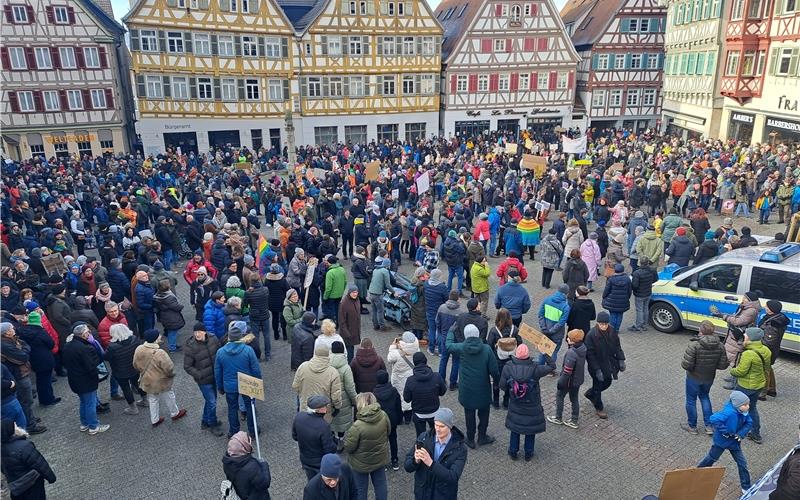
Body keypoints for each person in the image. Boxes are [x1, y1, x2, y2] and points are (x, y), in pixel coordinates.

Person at [446, 324, 499, 449]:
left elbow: (448, 346)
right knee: (484, 413)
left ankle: (470, 439)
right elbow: (494, 370)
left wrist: (451, 331)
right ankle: (482, 437)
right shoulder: (486, 349)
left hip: (467, 390)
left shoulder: (462, 348)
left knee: (469, 414)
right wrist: (497, 382)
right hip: (483, 389)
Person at [499, 344, 554, 461]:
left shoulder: (508, 367)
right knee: (530, 430)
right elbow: (551, 366)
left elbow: (502, 386)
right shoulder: (536, 368)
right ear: (528, 355)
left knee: (515, 429)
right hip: (532, 404)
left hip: (516, 404)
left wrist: (512, 391)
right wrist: (544, 352)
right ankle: (528, 453)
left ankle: (513, 451)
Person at [404, 407, 467, 500]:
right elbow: (407, 467)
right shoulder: (424, 438)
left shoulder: (460, 449)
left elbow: (453, 477)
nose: (438, 429)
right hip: (423, 492)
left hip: (443, 495)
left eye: (442, 426)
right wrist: (415, 461)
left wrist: (430, 463)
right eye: (436, 425)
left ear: (450, 427)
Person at [697, 391, 753, 494]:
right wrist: (725, 431)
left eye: (748, 404)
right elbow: (713, 419)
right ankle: (697, 472)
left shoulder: (743, 412)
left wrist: (740, 434)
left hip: (734, 442)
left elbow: (749, 423)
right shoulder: (729, 413)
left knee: (742, 463)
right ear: (738, 405)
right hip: (721, 442)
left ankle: (746, 487)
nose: (748, 407)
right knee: (712, 458)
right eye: (745, 405)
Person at [680, 320, 729, 435]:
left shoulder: (694, 345)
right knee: (705, 397)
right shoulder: (720, 345)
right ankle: (709, 426)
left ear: (700, 331)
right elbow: (722, 365)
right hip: (709, 377)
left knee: (691, 400)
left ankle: (692, 426)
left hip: (693, 378)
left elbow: (686, 365)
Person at [60, 323, 108, 434]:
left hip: (74, 380)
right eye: (87, 332)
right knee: (90, 403)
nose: (89, 334)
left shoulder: (67, 345)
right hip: (86, 381)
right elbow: (91, 366)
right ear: (83, 334)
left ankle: (84, 424)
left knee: (83, 402)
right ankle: (94, 426)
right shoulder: (85, 348)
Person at [133, 329, 188, 428]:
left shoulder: (139, 348)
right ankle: (175, 413)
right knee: (169, 395)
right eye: (158, 336)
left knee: (153, 399)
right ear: (155, 339)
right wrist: (171, 375)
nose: (160, 337)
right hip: (161, 381)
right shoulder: (159, 352)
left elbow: (135, 364)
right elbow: (169, 367)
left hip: (147, 380)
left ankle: (155, 420)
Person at [215, 325, 262, 437]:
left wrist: (220, 387)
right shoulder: (248, 350)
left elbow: (218, 372)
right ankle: (253, 431)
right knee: (250, 407)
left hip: (229, 385)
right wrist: (258, 383)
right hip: (247, 383)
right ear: (240, 338)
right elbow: (256, 369)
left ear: (229, 338)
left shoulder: (220, 352)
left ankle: (234, 431)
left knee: (232, 409)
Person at [343, 392, 391, 500]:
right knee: (381, 486)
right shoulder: (383, 415)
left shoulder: (356, 426)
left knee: (360, 489)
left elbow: (349, 447)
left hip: (360, 464)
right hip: (379, 458)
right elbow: (388, 432)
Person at [730, 327, 771, 444]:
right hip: (758, 385)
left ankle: (733, 431)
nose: (744, 336)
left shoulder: (748, 353)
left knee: (735, 407)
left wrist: (732, 371)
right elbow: (767, 367)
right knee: (752, 408)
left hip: (745, 386)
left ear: (751, 338)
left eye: (746, 335)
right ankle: (755, 433)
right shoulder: (766, 350)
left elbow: (741, 371)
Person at [714, 291, 761, 389]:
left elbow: (738, 321)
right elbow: (736, 316)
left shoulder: (751, 310)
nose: (742, 299)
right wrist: (724, 315)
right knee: (733, 357)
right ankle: (733, 376)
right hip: (735, 336)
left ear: (749, 300)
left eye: (745, 298)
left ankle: (735, 382)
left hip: (739, 337)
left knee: (737, 358)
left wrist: (723, 316)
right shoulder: (745, 306)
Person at [1, 419, 57, 500]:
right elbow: (40, 464)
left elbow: (3, 469)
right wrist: (51, 478)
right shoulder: (24, 446)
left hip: (16, 487)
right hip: (32, 482)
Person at [584, 312, 626, 419]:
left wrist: (621, 359)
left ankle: (590, 393)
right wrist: (597, 370)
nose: (603, 326)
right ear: (597, 323)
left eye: (605, 324)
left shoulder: (612, 331)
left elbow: (617, 346)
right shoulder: (591, 335)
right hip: (597, 365)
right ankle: (599, 407)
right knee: (598, 386)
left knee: (608, 381)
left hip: (609, 363)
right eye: (601, 324)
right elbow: (590, 355)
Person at [183, 322, 222, 436]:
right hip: (204, 380)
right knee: (212, 402)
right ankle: (212, 424)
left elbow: (220, 354)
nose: (197, 334)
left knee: (210, 400)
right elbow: (187, 366)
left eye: (199, 331)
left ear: (205, 331)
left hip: (214, 377)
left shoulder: (214, 339)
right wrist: (199, 374)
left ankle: (205, 421)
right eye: (195, 332)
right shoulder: (191, 346)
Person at [547, 329, 587, 429]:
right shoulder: (583, 348)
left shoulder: (571, 353)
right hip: (578, 380)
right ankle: (574, 419)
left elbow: (567, 372)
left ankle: (558, 417)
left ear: (573, 340)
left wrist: (560, 383)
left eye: (569, 337)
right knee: (574, 399)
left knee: (560, 396)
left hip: (569, 381)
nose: (567, 338)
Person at [292, 394, 338, 480]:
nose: (327, 408)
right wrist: (335, 442)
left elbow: (294, 437)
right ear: (320, 410)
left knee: (311, 480)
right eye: (325, 406)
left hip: (305, 459)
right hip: (319, 463)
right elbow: (329, 450)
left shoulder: (299, 416)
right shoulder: (324, 426)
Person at [404, 351, 447, 438]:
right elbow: (442, 392)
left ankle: (422, 449)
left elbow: (407, 399)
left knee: (421, 437)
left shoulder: (410, 380)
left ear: (414, 363)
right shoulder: (436, 376)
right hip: (434, 411)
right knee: (435, 435)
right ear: (426, 361)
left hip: (419, 413)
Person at [104, 324, 146, 415]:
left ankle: (133, 408)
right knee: (138, 384)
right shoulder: (134, 339)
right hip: (134, 368)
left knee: (126, 389)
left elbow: (106, 357)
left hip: (120, 371)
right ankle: (145, 400)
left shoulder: (112, 347)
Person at [293, 345, 343, 418]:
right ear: (328, 354)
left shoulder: (303, 366)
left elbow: (295, 386)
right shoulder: (333, 372)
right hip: (323, 410)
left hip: (306, 407)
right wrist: (337, 407)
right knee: (320, 427)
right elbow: (336, 396)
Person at [486, 308, 521, 409]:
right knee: (510, 381)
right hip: (511, 360)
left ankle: (496, 402)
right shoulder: (515, 330)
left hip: (498, 361)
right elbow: (520, 343)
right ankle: (506, 402)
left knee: (496, 382)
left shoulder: (494, 330)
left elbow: (489, 345)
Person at [222, 431, 271, 500]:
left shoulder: (227, 461)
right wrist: (264, 465)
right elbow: (264, 483)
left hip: (241, 495)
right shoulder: (251, 467)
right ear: (244, 447)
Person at [387, 331, 420, 424]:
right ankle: (408, 419)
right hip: (410, 377)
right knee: (408, 397)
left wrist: (393, 346)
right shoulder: (416, 350)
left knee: (398, 397)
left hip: (398, 378)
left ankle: (400, 419)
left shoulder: (396, 353)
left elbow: (389, 359)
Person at [373, 369, 403, 471]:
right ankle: (395, 460)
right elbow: (398, 406)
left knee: (382, 441)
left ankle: (383, 462)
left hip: (380, 421)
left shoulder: (374, 393)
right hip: (392, 420)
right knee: (393, 439)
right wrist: (400, 418)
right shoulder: (394, 391)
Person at [758, 300, 787, 400]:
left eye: (767, 306)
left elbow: (769, 341)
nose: (765, 307)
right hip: (773, 349)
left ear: (772, 310)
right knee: (768, 368)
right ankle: (772, 389)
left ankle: (762, 393)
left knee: (764, 370)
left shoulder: (773, 323)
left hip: (768, 349)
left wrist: (757, 342)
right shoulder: (777, 317)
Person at [537, 284, 571, 363]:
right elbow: (561, 323)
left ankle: (540, 367)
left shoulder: (546, 300)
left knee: (543, 350)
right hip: (557, 334)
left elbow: (540, 315)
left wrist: (544, 328)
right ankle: (550, 370)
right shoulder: (565, 307)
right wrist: (551, 331)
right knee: (553, 352)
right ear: (566, 293)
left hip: (544, 331)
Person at [329, 341, 357, 437]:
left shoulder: (326, 365)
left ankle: (332, 437)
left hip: (329, 398)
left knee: (330, 419)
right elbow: (350, 387)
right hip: (343, 400)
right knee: (341, 422)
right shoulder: (346, 367)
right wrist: (355, 400)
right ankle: (340, 439)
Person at [435, 291, 463, 383]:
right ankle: (453, 383)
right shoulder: (460, 312)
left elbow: (437, 322)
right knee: (456, 361)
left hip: (444, 337)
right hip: (455, 341)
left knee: (443, 359)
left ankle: (441, 380)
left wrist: (440, 333)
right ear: (458, 299)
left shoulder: (441, 308)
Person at [153, 279, 185, 353]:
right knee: (172, 332)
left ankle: (173, 345)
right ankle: (172, 348)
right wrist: (181, 306)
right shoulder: (169, 297)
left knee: (171, 331)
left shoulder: (158, 295)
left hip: (164, 316)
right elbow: (176, 306)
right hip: (171, 317)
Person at [629, 257, 658, 332]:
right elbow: (656, 279)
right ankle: (644, 325)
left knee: (639, 310)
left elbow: (635, 285)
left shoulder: (637, 273)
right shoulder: (653, 270)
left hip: (639, 294)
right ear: (648, 262)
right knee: (645, 309)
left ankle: (638, 326)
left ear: (640, 262)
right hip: (648, 292)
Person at [423, 269, 449, 352]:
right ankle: (440, 350)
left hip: (429, 311)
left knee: (432, 329)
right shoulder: (442, 287)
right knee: (440, 331)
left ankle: (431, 349)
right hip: (440, 312)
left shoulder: (426, 284)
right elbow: (446, 299)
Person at [601, 264, 631, 333]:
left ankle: (612, 329)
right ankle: (617, 329)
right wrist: (627, 297)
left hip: (612, 301)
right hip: (623, 301)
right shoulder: (627, 279)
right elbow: (629, 291)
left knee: (612, 315)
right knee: (620, 315)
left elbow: (607, 290)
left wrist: (604, 296)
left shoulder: (611, 279)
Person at [246, 279, 271, 361]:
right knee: (266, 335)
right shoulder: (265, 290)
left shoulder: (248, 293)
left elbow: (245, 304)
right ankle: (268, 355)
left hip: (254, 316)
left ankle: (257, 356)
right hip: (264, 314)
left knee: (255, 336)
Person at [367, 257, 393, 331]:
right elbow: (388, 284)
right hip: (378, 294)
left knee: (374, 310)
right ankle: (382, 326)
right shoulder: (385, 271)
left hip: (371, 292)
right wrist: (394, 292)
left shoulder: (375, 270)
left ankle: (375, 326)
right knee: (380, 310)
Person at [264, 264, 289, 341]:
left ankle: (276, 334)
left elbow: (266, 290)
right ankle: (285, 334)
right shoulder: (282, 279)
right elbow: (287, 289)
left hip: (272, 301)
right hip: (282, 301)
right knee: (283, 317)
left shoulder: (267, 280)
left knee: (274, 318)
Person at [338, 284, 362, 362]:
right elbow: (342, 321)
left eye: (356, 292)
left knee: (351, 351)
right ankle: (349, 367)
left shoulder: (357, 300)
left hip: (354, 332)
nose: (355, 294)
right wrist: (347, 334)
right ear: (349, 292)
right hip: (348, 335)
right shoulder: (344, 303)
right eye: (353, 292)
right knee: (349, 353)